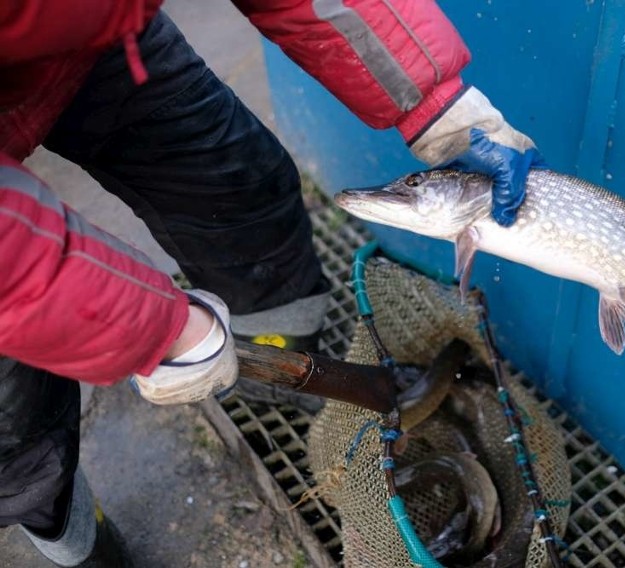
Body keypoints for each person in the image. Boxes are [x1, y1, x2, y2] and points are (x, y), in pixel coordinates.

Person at [0, 1, 544, 565]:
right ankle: (74, 539)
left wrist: (434, 102)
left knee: (245, 194)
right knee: (12, 422)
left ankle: (273, 370)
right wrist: (151, 328)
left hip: (99, 35)